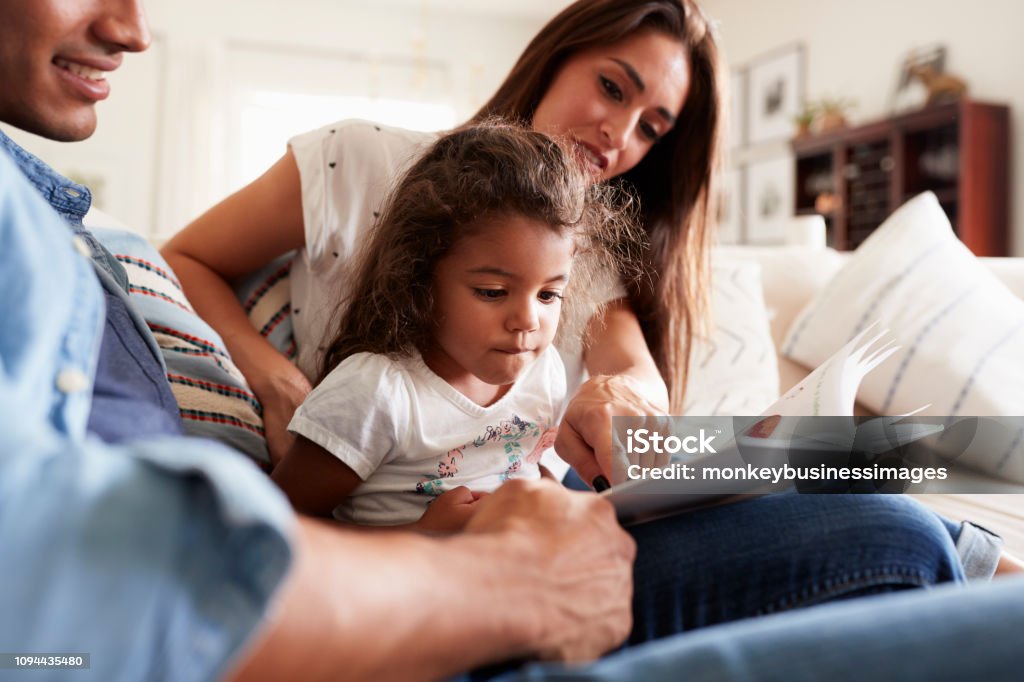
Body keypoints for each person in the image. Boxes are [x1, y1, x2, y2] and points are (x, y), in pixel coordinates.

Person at [2, 1, 1024, 681]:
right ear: (554, 59)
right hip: (401, 512)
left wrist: (621, 392)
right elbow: (186, 262)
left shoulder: (590, 252)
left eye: (655, 125)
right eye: (613, 87)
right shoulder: (362, 173)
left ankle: (982, 493)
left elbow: (618, 352)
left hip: (560, 491)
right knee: (892, 532)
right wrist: (273, 382)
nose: (623, 134)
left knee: (873, 465)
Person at [273, 121, 639, 528]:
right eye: (492, 291)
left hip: (518, 575)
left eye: (548, 295)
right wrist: (422, 538)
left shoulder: (544, 372)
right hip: (408, 586)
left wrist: (553, 497)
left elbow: (527, 469)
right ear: (421, 279)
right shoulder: (376, 395)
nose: (527, 321)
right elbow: (278, 530)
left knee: (715, 477)